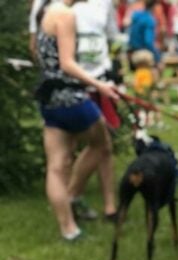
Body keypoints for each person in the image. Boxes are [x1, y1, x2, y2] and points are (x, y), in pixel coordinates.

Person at [35, 0, 121, 241]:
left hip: (49, 98)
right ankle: (72, 195)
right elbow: (68, 63)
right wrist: (100, 85)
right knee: (102, 144)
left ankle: (68, 229)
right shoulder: (66, 15)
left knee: (56, 164)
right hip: (71, 98)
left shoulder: (46, 12)